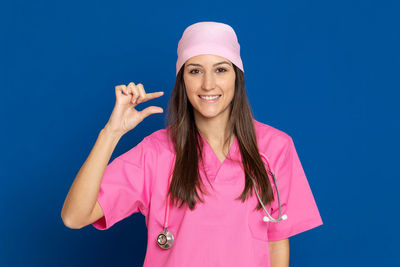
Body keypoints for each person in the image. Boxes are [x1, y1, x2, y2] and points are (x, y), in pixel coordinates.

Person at [61, 21, 323, 267]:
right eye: (195, 71)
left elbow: (276, 242)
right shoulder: (154, 152)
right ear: (182, 79)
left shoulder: (274, 148)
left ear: (236, 77)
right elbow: (74, 217)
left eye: (221, 69)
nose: (208, 84)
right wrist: (111, 133)